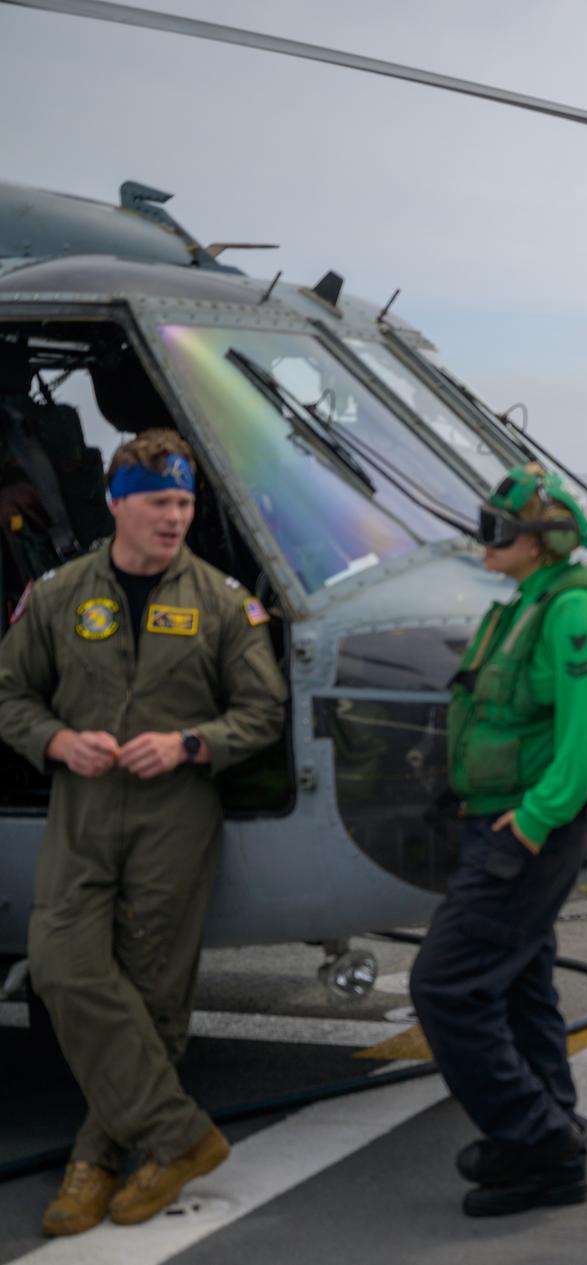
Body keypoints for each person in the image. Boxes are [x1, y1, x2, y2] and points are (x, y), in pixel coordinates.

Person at [0, 430, 285, 1237]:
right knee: (60, 966)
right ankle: (181, 1134)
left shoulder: (227, 603)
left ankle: (95, 1160)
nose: (175, 516)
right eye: (159, 501)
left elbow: (263, 712)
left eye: (186, 502)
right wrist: (56, 740)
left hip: (176, 814)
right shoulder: (57, 595)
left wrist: (192, 743)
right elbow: (9, 693)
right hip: (83, 811)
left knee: (152, 994)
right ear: (117, 502)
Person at [407, 464, 587, 1218]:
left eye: (500, 529)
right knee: (524, 984)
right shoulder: (524, 602)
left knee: (445, 985)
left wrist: (533, 820)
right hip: (496, 820)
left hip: (527, 831)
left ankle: (535, 1137)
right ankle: (554, 1138)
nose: (485, 540)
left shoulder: (573, 612)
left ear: (543, 541)